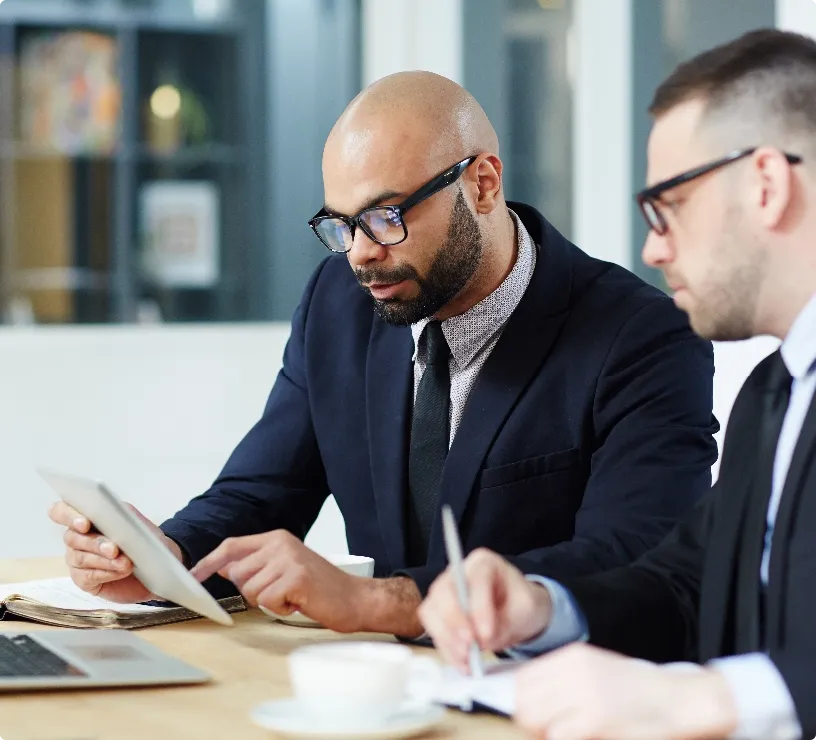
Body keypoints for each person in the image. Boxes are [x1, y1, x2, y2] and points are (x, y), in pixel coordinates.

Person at [49, 71, 716, 640]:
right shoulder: (339, 304)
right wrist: (164, 554)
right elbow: (264, 491)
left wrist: (374, 602)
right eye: (340, 225)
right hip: (376, 696)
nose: (361, 252)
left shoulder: (640, 335)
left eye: (386, 216)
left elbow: (637, 559)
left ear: (483, 184)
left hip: (557, 701)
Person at [418, 28, 816, 740]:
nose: (652, 247)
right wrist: (540, 606)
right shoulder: (773, 395)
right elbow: (686, 585)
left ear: (766, 185)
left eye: (669, 206)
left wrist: (707, 700)